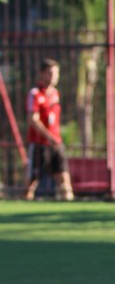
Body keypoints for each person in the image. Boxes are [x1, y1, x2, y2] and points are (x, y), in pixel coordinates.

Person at [25, 58, 73, 201]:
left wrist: (55, 138)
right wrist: (48, 136)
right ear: (42, 74)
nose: (54, 77)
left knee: (64, 176)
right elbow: (33, 120)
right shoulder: (35, 94)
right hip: (39, 143)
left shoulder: (55, 94)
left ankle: (69, 206)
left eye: (56, 74)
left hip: (56, 143)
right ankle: (25, 202)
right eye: (50, 73)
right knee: (32, 181)